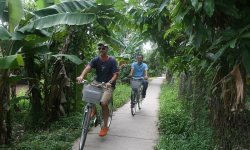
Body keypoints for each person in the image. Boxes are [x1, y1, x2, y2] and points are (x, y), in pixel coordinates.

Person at [76, 42, 119, 137]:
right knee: (86, 92)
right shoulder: (96, 59)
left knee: (103, 103)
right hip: (97, 82)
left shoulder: (112, 61)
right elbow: (88, 67)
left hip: (108, 84)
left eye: (103, 48)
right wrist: (81, 76)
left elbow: (116, 74)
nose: (101, 50)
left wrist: (110, 82)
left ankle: (105, 126)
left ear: (107, 49)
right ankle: (93, 109)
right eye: (99, 48)